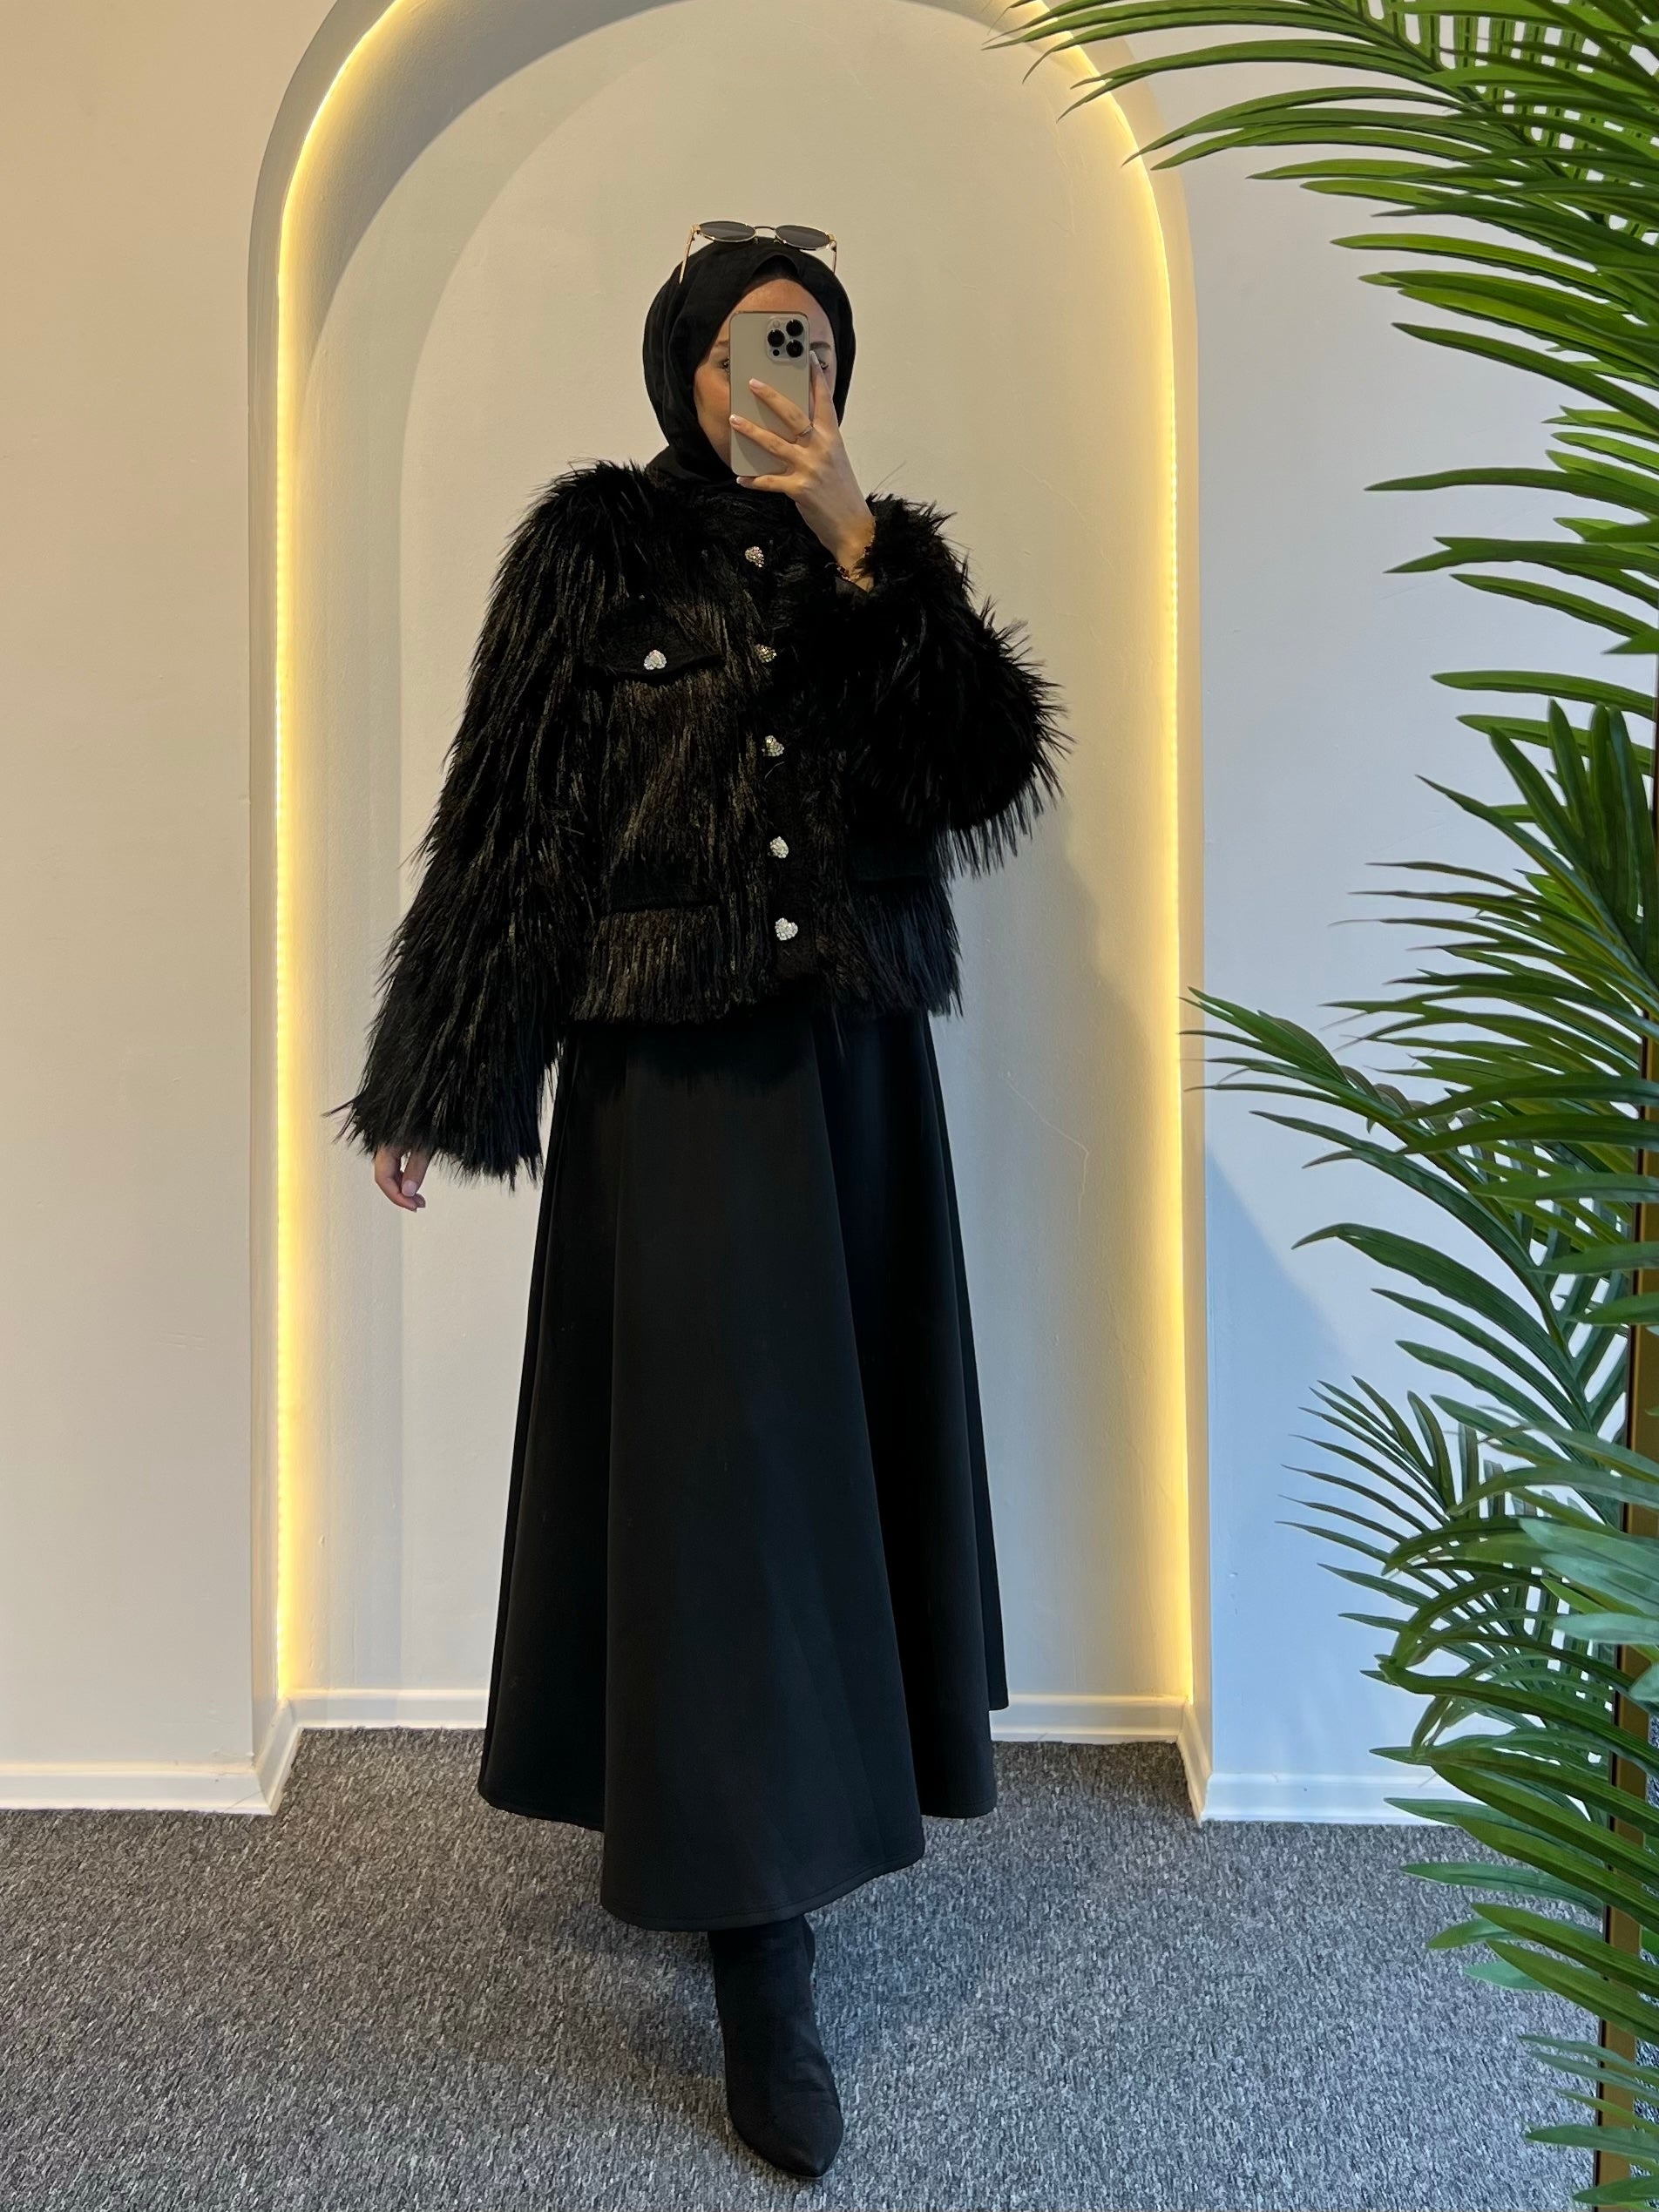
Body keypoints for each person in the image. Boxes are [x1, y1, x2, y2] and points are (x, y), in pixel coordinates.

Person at [335, 223, 1068, 2179]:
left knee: (828, 1484)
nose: (785, 371)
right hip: (670, 1083)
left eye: (813, 341)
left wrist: (862, 543)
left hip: (852, 1079)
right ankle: (759, 1937)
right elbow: (510, 831)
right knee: (714, 1496)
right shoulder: (589, 550)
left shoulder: (874, 553)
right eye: (756, 339)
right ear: (685, 363)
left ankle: (786, 1854)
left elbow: (985, 769)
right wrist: (438, 1077)